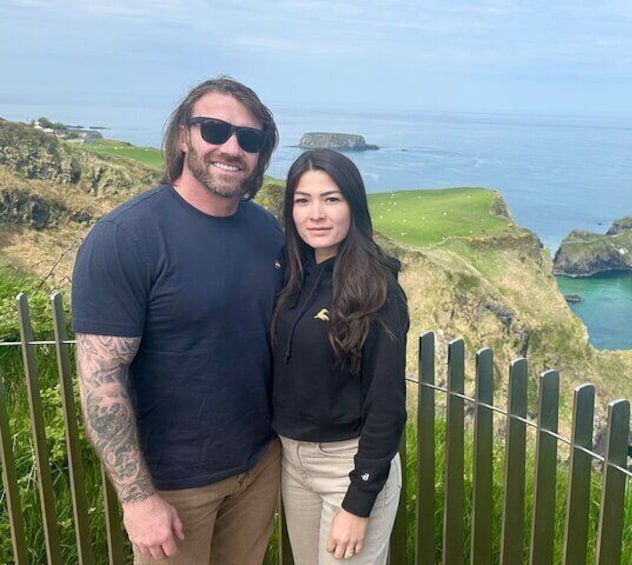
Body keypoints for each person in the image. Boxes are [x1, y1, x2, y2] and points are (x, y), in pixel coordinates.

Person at [71, 77, 284, 564]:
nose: (231, 147)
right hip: (174, 488)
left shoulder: (265, 229)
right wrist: (137, 498)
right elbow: (101, 378)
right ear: (184, 137)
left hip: (258, 466)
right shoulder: (127, 238)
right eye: (214, 130)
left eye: (249, 139)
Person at [272, 148, 409, 563]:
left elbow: (387, 404)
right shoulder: (290, 276)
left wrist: (358, 501)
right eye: (303, 200)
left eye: (331, 199)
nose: (316, 213)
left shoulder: (377, 290)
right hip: (293, 461)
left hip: (347, 465)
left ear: (353, 205)